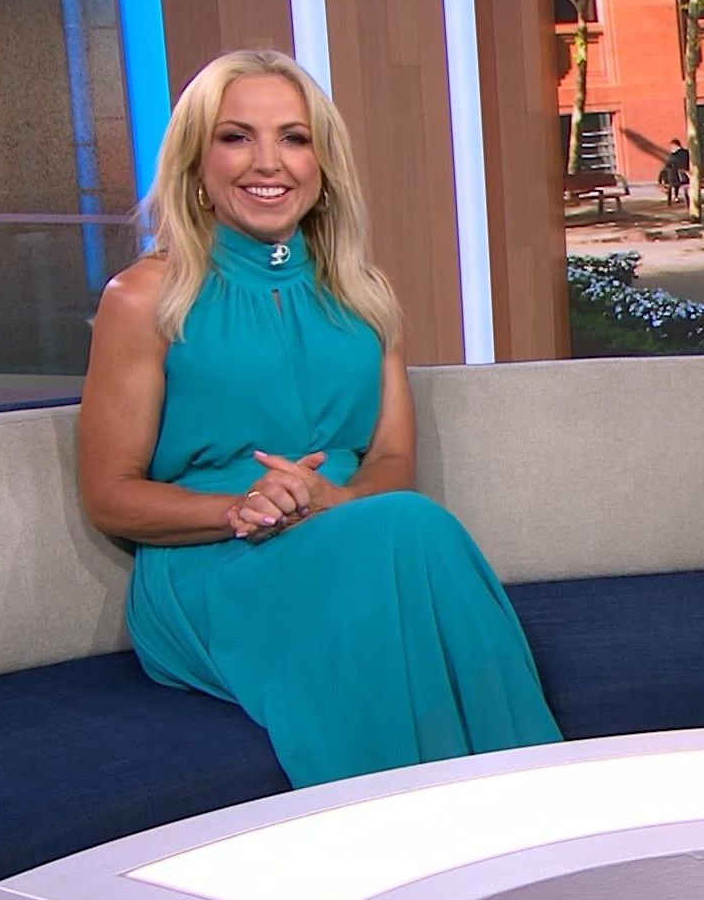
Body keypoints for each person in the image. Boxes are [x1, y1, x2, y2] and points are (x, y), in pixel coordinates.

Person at [77, 49, 562, 788]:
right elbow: (110, 494)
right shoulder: (144, 297)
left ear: (323, 165)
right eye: (236, 137)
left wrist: (334, 499)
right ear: (196, 163)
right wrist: (241, 508)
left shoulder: (363, 292)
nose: (267, 162)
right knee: (408, 531)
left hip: (350, 535)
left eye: (294, 138)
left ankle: (497, 816)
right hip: (215, 566)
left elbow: (393, 461)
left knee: (405, 523)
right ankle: (482, 813)